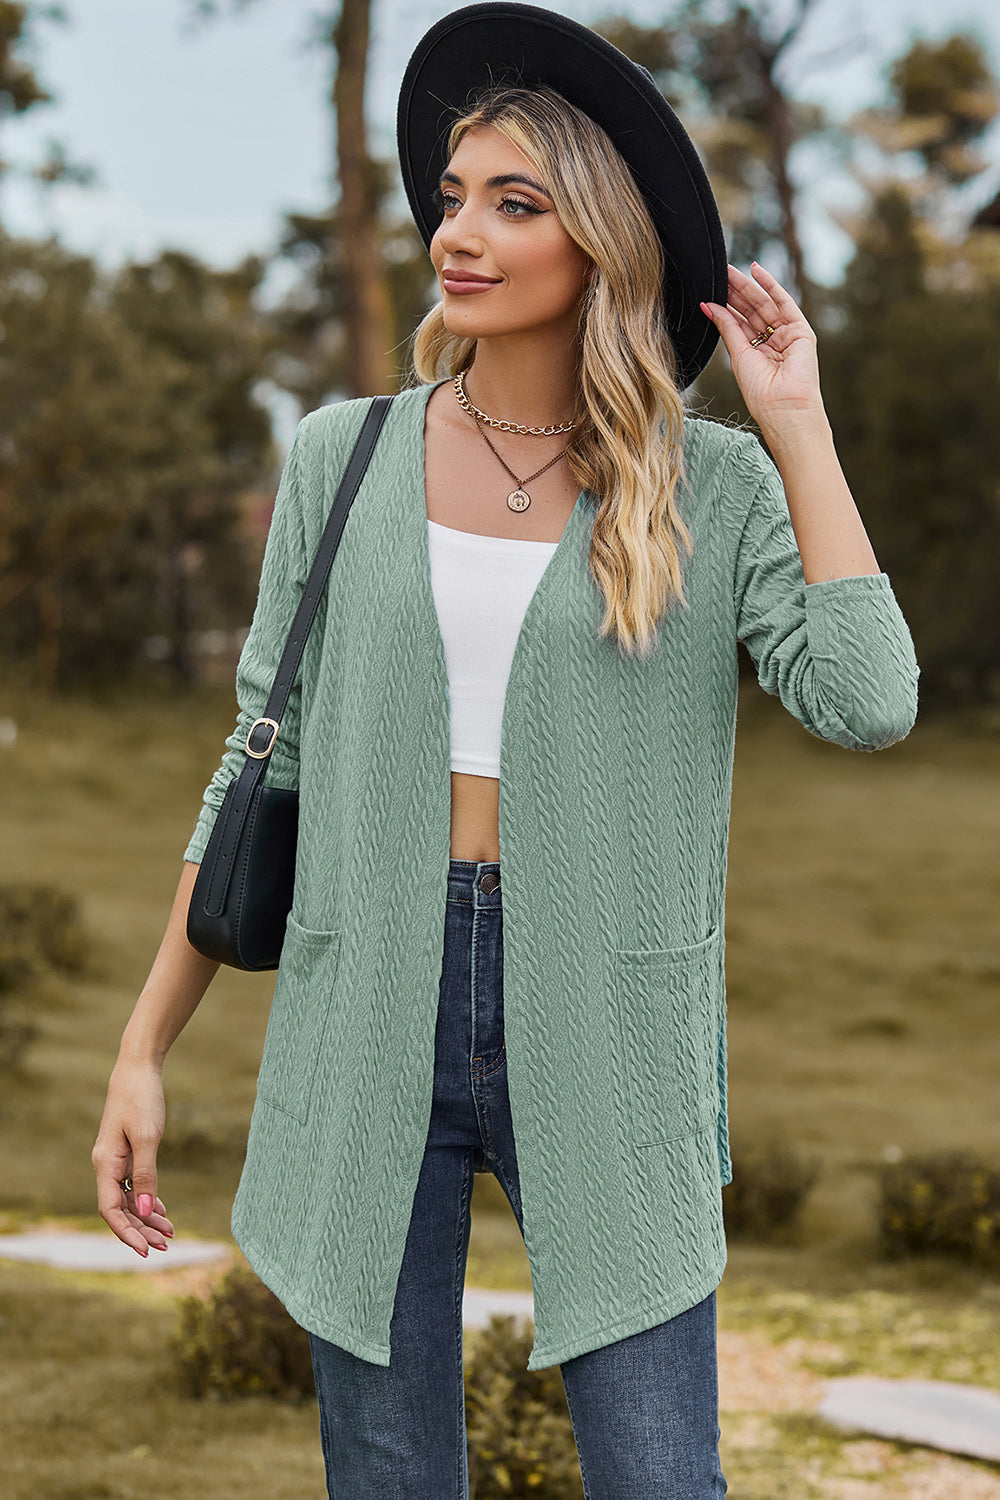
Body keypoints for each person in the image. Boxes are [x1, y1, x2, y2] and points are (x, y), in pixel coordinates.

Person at [92, 4, 920, 1496]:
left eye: (515, 204)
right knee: (390, 1472)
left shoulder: (712, 485)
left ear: (601, 245)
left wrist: (798, 424)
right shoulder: (341, 456)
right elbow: (258, 764)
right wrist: (144, 1050)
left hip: (611, 1013)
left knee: (660, 1474)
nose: (459, 234)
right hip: (365, 998)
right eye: (453, 197)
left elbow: (869, 698)